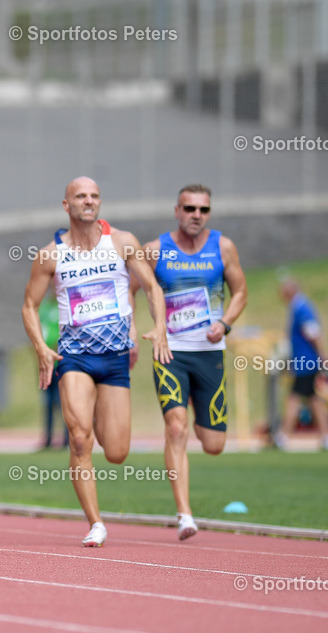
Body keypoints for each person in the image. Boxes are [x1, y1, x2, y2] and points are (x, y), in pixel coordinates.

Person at [22, 177, 171, 547]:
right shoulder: (50, 255)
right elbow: (28, 305)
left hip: (116, 359)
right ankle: (96, 523)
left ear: (99, 203)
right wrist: (42, 346)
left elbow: (151, 287)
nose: (88, 202)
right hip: (74, 358)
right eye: (80, 196)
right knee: (78, 438)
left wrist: (161, 327)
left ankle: (104, 434)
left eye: (93, 196)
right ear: (66, 205)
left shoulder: (122, 243)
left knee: (117, 451)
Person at [137, 185, 247, 541]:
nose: (196, 215)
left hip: (209, 353)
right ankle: (184, 514)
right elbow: (130, 287)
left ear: (209, 213)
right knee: (175, 427)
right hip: (170, 352)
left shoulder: (223, 247)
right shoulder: (155, 250)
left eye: (203, 209)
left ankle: (199, 414)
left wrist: (225, 322)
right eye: (189, 208)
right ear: (177, 210)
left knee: (213, 444)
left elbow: (241, 291)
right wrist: (140, 329)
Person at [274, 279, 328, 451]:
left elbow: (313, 332)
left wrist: (321, 355)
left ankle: (283, 436)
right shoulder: (298, 307)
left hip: (306, 362)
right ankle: (325, 436)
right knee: (313, 399)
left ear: (290, 291)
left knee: (294, 398)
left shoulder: (301, 307)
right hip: (304, 361)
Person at [38, 294, 68, 450]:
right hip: (45, 364)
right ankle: (48, 438)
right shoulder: (44, 308)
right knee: (48, 403)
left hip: (60, 363)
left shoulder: (63, 307)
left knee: (62, 402)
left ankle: (66, 439)